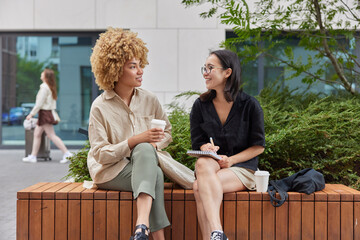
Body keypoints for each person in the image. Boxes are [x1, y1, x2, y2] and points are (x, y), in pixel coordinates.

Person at [87, 28, 171, 240]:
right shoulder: (99, 107)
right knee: (148, 159)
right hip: (110, 171)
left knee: (153, 167)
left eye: (140, 65)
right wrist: (134, 142)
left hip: (143, 165)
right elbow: (100, 155)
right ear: (114, 70)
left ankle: (141, 229)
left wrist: (155, 144)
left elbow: (167, 133)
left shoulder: (150, 99)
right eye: (133, 66)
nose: (140, 70)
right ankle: (147, 230)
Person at [190, 49, 265, 240]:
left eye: (210, 68)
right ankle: (218, 233)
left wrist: (231, 160)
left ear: (227, 72)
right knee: (201, 163)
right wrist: (205, 148)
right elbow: (197, 142)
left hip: (242, 169)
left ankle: (214, 234)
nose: (205, 72)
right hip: (211, 166)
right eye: (204, 68)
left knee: (199, 187)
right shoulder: (200, 105)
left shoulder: (250, 105)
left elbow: (258, 146)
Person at [22, 69, 73, 164]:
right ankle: (33, 156)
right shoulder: (49, 87)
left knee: (51, 135)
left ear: (45, 76)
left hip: (45, 113)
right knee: (37, 134)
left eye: (43, 73)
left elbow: (39, 103)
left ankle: (67, 153)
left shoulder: (44, 88)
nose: (41, 74)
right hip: (45, 113)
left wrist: (31, 114)